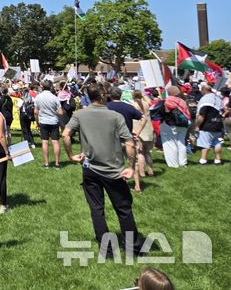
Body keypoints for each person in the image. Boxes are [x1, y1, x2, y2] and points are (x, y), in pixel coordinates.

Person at [62, 83, 143, 257]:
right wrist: (131, 166)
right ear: (102, 95)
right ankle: (133, 248)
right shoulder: (114, 116)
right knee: (123, 209)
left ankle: (107, 250)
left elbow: (65, 134)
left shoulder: (80, 114)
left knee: (97, 209)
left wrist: (70, 155)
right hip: (112, 171)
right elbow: (129, 143)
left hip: (91, 170)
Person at [157, 86, 191, 168]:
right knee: (181, 143)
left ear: (168, 93)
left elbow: (160, 112)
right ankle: (183, 162)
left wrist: (160, 102)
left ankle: (173, 164)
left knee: (170, 144)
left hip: (169, 124)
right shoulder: (182, 101)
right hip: (183, 124)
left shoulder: (167, 101)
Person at [34, 80, 63, 169]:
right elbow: (61, 112)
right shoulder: (55, 97)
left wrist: (37, 121)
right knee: (55, 142)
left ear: (42, 87)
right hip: (53, 121)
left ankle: (46, 163)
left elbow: (35, 111)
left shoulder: (38, 97)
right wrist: (56, 111)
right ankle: (57, 163)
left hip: (43, 121)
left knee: (45, 142)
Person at [195, 83, 224, 165]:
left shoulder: (205, 100)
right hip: (218, 124)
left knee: (205, 144)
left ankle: (203, 160)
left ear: (204, 89)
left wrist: (197, 126)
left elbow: (202, 115)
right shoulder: (218, 99)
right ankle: (218, 160)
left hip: (207, 125)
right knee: (217, 143)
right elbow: (223, 111)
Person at [131, 90, 155, 191]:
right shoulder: (147, 104)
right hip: (148, 128)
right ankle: (151, 171)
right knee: (147, 152)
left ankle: (141, 173)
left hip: (138, 129)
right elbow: (150, 101)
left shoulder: (133, 105)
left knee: (139, 152)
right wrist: (144, 95)